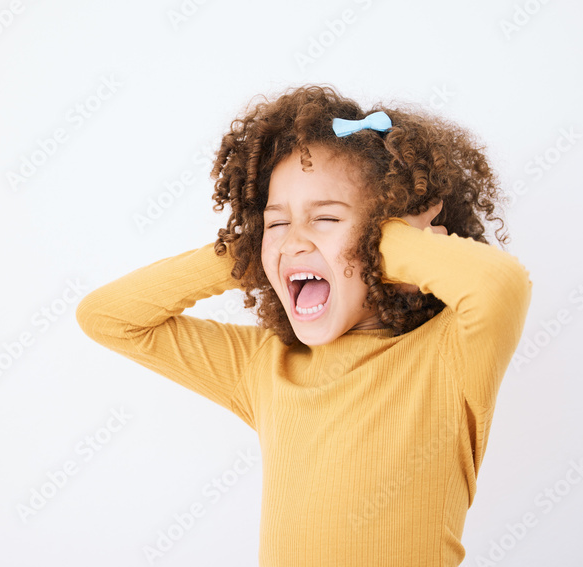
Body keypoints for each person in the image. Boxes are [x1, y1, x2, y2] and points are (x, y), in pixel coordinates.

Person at [74, 84, 532, 566]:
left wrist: (385, 245)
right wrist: (246, 253)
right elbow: (109, 318)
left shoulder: (449, 356)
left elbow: (499, 285)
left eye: (326, 218)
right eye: (276, 222)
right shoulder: (264, 367)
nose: (294, 242)